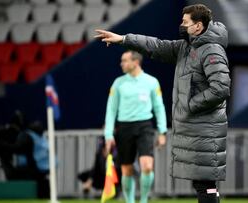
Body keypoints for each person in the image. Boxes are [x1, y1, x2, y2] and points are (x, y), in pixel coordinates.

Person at [95, 4, 230, 203]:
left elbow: (221, 88)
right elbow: (155, 45)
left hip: (205, 128)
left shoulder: (211, 51)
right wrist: (123, 39)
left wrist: (190, 105)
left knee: (205, 184)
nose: (181, 26)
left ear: (198, 26)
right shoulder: (187, 47)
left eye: (185, 22)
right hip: (198, 128)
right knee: (204, 185)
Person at [103, 50, 168, 203]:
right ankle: (130, 201)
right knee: (127, 170)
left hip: (144, 125)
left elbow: (159, 107)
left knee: (146, 166)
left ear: (135, 62)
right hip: (124, 127)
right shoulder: (118, 83)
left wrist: (162, 132)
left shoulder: (152, 82)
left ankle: (144, 200)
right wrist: (108, 135)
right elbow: (111, 110)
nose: (121, 64)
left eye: (124, 60)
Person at [0, 115, 51, 199]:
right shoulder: (40, 138)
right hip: (42, 170)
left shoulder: (27, 136)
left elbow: (14, 148)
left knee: (13, 174)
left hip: (32, 171)